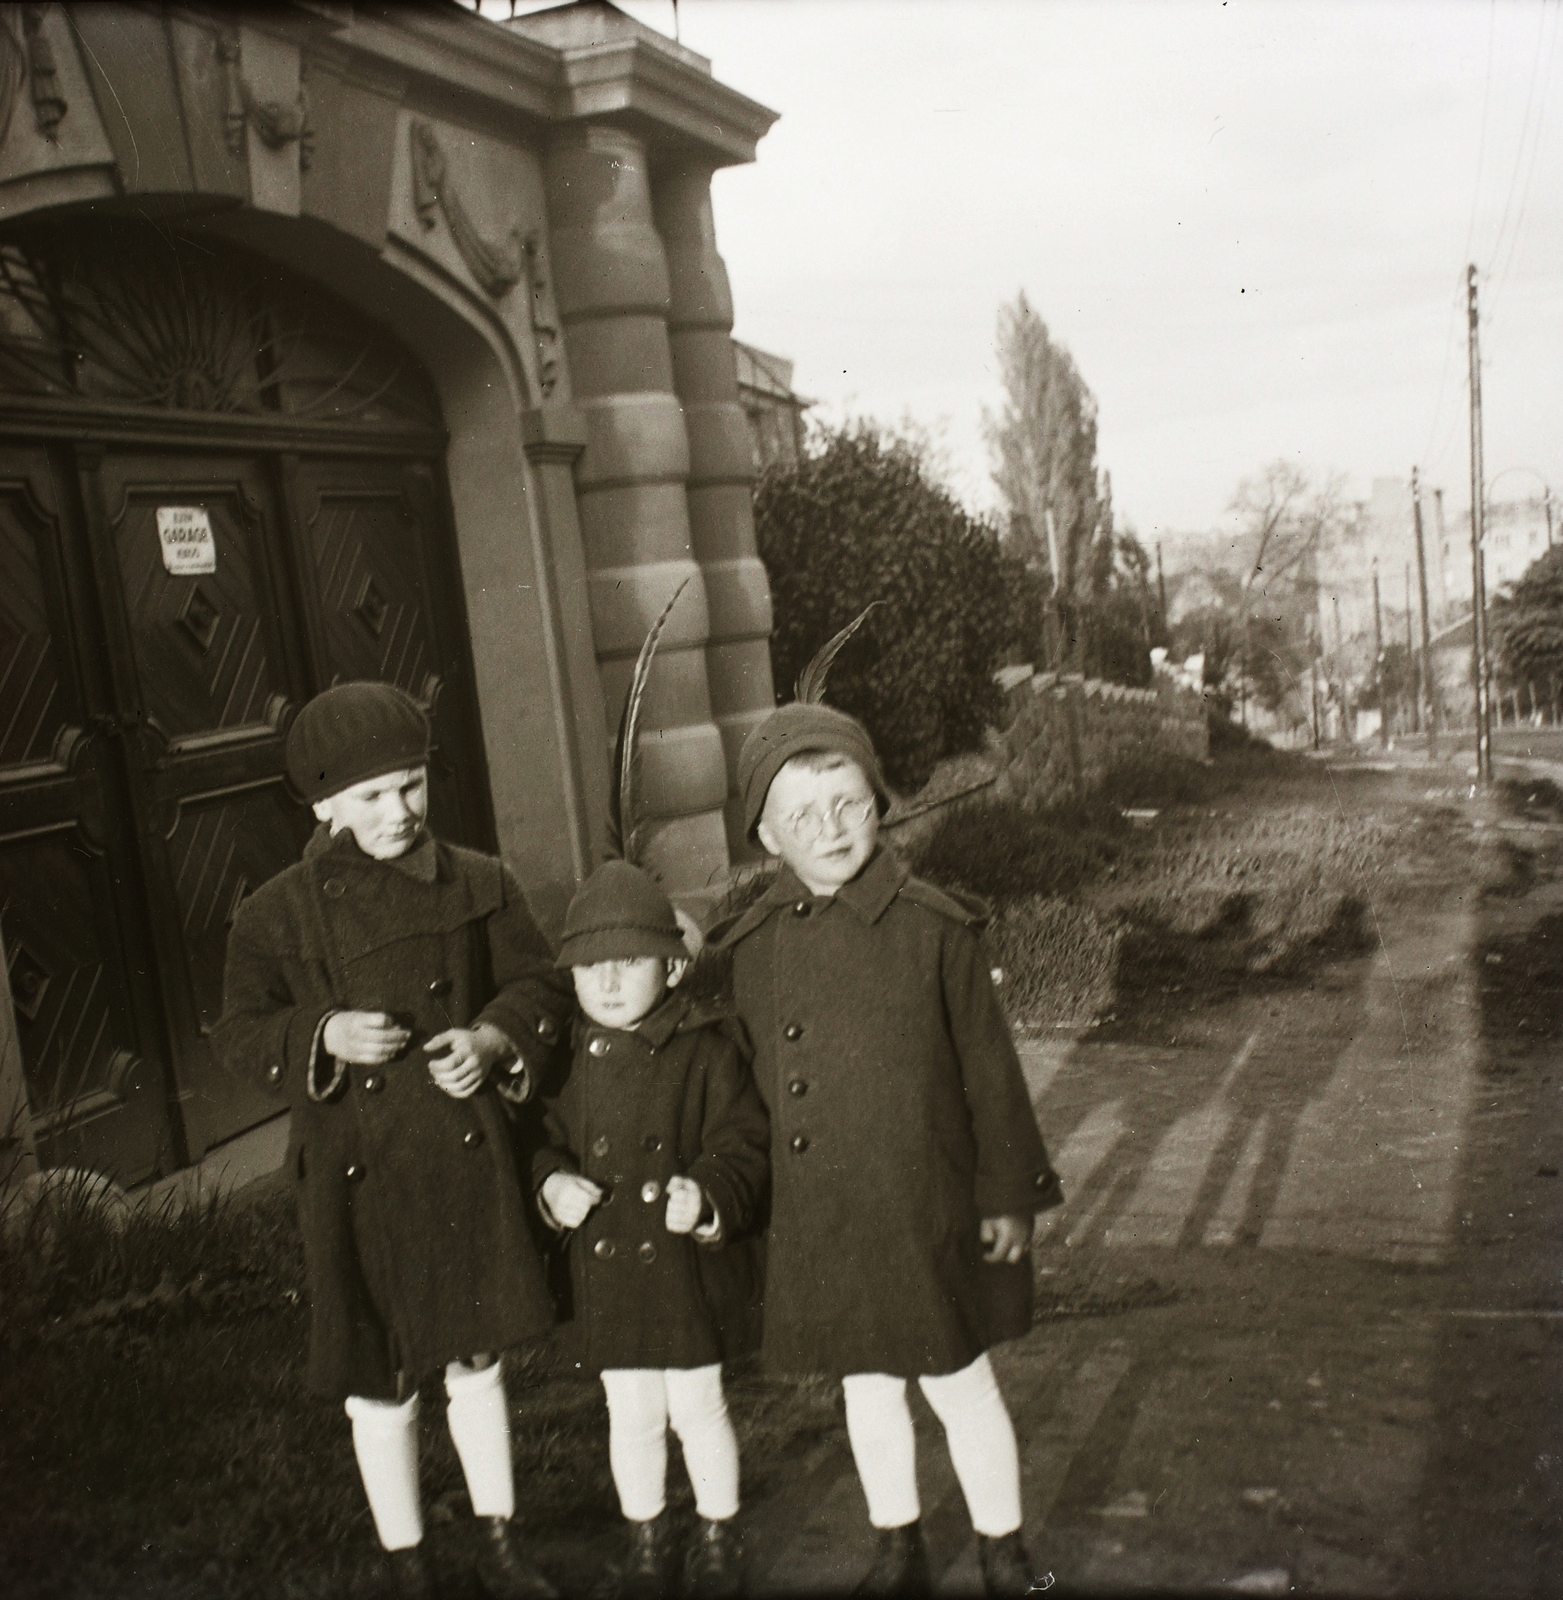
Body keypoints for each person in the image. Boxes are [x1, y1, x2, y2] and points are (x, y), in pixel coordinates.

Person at [213, 682, 574, 1600]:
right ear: (323, 805)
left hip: (461, 1163)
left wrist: (493, 1038)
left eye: (410, 785)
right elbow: (240, 1034)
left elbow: (539, 987)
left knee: (477, 1351)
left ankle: (499, 1541)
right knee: (379, 1372)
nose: (398, 810)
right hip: (354, 1177)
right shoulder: (275, 916)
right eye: (370, 796)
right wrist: (318, 1037)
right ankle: (405, 1558)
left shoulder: (480, 881)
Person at [709, 701, 1063, 1599]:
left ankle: (1001, 1546)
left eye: (850, 804)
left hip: (925, 1203)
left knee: (956, 1377)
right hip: (822, 1210)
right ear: (764, 834)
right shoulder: (751, 947)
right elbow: (737, 1081)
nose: (830, 830)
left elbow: (991, 1074)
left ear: (881, 802)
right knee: (864, 1385)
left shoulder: (932, 927)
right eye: (802, 816)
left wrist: (1006, 1195)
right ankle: (896, 1544)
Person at [533, 859, 770, 1599]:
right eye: (589, 967)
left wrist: (705, 1196)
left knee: (699, 1406)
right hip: (611, 1275)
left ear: (671, 970)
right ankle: (646, 1536)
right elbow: (542, 1137)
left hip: (682, 1272)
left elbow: (742, 1141)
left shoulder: (705, 1049)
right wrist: (550, 1183)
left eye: (628, 963)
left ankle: (717, 1530)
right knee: (628, 1410)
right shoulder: (567, 1058)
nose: (606, 983)